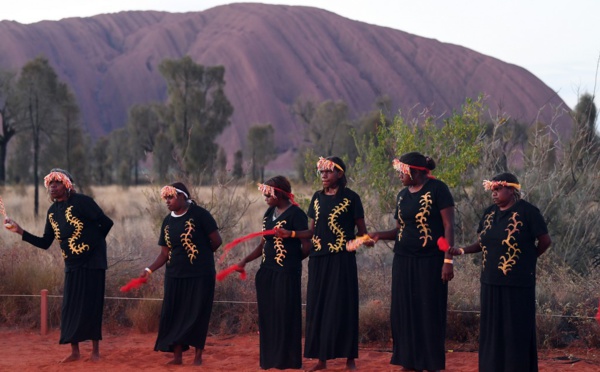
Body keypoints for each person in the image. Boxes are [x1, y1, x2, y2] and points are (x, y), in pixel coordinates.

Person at [4, 168, 113, 363]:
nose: (53, 186)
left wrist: (91, 246)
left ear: (67, 185)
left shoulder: (83, 202)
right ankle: (75, 351)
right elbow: (46, 242)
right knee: (70, 307)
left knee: (92, 305)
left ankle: (95, 352)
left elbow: (106, 224)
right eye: (50, 183)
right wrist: (20, 231)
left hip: (93, 263)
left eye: (58, 182)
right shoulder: (53, 212)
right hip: (71, 264)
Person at [447, 173, 551, 372]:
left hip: (518, 284)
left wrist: (528, 260)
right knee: (493, 330)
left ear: (511, 190)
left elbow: (545, 241)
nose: (493, 194)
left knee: (515, 330)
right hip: (490, 281)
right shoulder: (489, 213)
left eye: (497, 190)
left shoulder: (528, 212)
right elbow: (484, 242)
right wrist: (462, 250)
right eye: (492, 191)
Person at [277, 156, 370, 371]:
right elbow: (311, 231)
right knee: (318, 306)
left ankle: (350, 359)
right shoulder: (317, 198)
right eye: (322, 172)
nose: (324, 176)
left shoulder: (352, 198)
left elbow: (363, 234)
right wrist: (290, 234)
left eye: (328, 172)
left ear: (340, 173)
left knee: (343, 306)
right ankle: (321, 359)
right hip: (318, 259)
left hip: (341, 261)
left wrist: (352, 245)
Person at [368, 152, 455, 372]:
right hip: (403, 260)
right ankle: (409, 361)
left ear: (415, 171)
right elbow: (400, 230)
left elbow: (448, 227)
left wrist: (447, 260)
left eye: (401, 171)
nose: (399, 175)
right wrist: (378, 235)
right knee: (404, 312)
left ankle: (431, 364)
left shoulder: (438, 189)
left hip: (430, 261)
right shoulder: (402, 195)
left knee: (428, 311)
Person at [141, 182, 222, 365]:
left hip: (200, 275)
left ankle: (197, 357)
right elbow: (164, 253)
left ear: (183, 197)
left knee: (198, 314)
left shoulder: (200, 215)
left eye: (171, 197)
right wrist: (149, 269)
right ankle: (177, 357)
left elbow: (216, 241)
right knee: (175, 314)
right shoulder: (168, 221)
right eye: (166, 198)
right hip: (175, 276)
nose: (167, 201)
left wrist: (202, 256)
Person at [237, 176, 311, 370]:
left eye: (267, 194)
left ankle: (287, 361)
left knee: (285, 315)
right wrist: (245, 260)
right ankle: (270, 360)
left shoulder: (297, 214)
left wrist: (291, 262)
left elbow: (307, 246)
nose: (264, 197)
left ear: (278, 193)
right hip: (266, 272)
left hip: (287, 273)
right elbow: (263, 244)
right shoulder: (269, 213)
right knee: (268, 317)